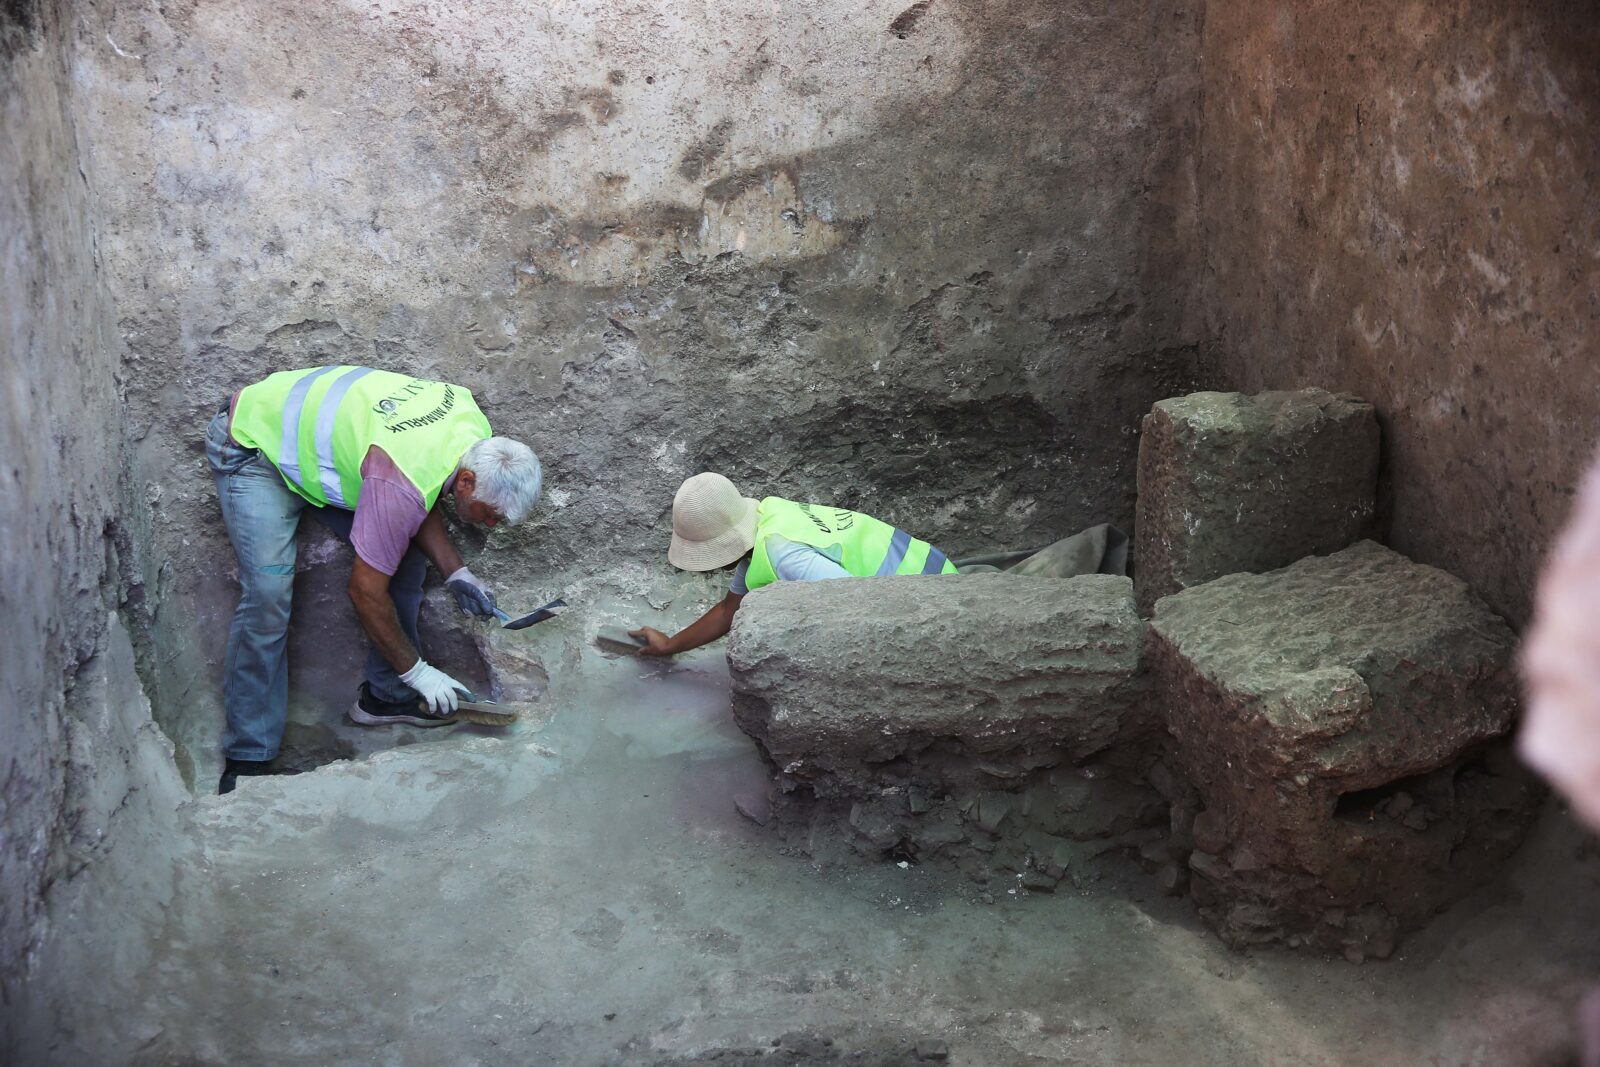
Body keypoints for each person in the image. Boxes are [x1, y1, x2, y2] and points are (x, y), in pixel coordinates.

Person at [205, 365, 542, 794]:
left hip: (323, 453)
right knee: (268, 594)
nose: (491, 526)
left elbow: (418, 489)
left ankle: (384, 698)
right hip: (254, 446)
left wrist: (456, 571)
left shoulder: (471, 429)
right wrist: (419, 673)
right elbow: (365, 591)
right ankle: (247, 755)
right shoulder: (402, 477)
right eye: (491, 514)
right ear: (467, 481)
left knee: (405, 562)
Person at [629, 472, 956, 657]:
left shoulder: (784, 556)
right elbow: (730, 610)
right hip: (932, 566)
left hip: (934, 601)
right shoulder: (770, 520)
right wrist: (670, 645)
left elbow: (858, 605)